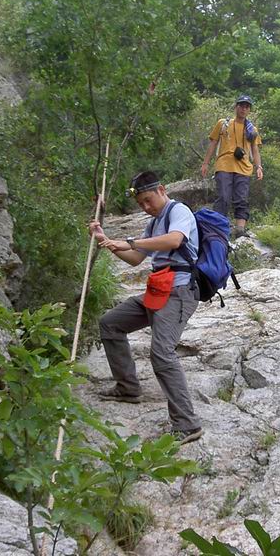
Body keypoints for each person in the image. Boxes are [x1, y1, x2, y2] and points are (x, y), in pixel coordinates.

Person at [89, 171, 203, 445]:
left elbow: (175, 240)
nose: (145, 207)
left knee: (162, 353)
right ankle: (128, 388)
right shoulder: (154, 224)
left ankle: (187, 424)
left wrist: (129, 241)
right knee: (110, 323)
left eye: (148, 200)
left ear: (162, 190)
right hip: (158, 290)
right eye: (140, 203)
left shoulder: (179, 211)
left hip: (180, 291)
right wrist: (105, 240)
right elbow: (135, 258)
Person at [201, 94, 263, 238]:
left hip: (244, 168)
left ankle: (239, 230)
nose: (243, 109)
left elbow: (255, 149)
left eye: (247, 107)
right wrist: (205, 163)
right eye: (241, 106)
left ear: (249, 110)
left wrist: (259, 167)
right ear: (236, 107)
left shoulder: (252, 129)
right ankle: (217, 228)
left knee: (241, 198)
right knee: (223, 197)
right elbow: (213, 143)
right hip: (224, 165)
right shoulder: (223, 123)